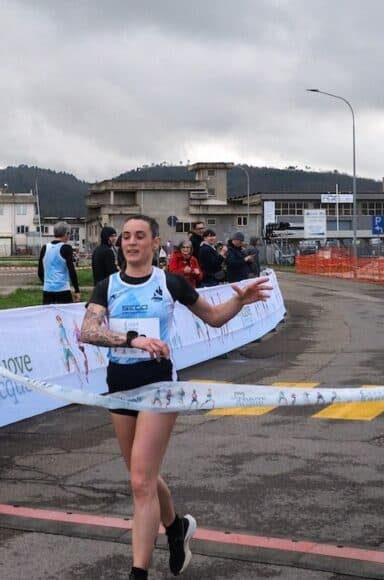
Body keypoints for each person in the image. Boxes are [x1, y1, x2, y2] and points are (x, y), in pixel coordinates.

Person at [80, 215, 271, 580]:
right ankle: (176, 527)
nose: (132, 242)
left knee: (140, 482)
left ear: (155, 243)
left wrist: (241, 302)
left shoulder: (170, 283)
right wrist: (131, 339)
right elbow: (88, 331)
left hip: (159, 388)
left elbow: (214, 317)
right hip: (119, 385)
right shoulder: (107, 286)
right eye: (126, 237)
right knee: (143, 475)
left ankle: (138, 572)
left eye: (140, 236)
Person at [38, 221, 80, 304]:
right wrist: (77, 290)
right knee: (65, 316)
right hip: (63, 290)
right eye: (69, 234)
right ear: (66, 234)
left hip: (48, 290)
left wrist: (47, 283)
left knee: (48, 316)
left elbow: (40, 272)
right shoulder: (66, 248)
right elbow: (72, 271)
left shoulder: (44, 248)